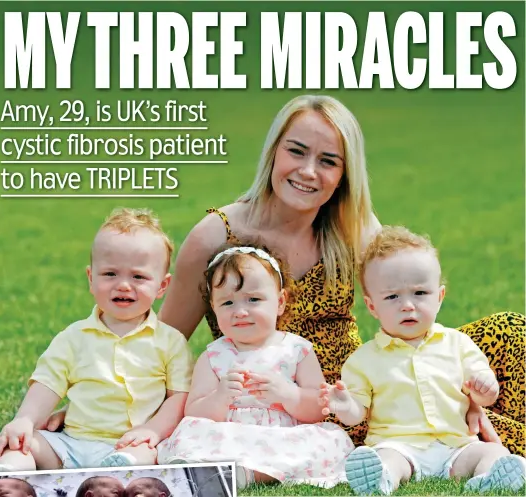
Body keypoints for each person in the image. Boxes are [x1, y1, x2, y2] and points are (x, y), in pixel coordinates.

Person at [158, 94, 524, 456]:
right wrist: (154, 424)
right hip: (301, 408)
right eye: (296, 151)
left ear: (343, 176)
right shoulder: (216, 235)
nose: (308, 171)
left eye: (328, 161)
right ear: (274, 152)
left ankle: (466, 417)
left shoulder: (354, 228)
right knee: (469, 432)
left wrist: (464, 391)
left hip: (366, 381)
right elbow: (165, 348)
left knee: (510, 333)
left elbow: (409, 307)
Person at [320, 226, 526, 494]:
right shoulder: (364, 360)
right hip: (399, 444)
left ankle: (488, 478)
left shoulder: (458, 344)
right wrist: (345, 405)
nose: (407, 305)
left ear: (439, 297)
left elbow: (485, 397)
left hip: (457, 445)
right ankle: (381, 480)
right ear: (372, 307)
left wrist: (486, 388)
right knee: (387, 459)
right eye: (392, 296)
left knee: (491, 451)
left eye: (419, 293)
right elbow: (358, 414)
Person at [0, 208, 194, 470]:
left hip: (131, 445)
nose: (123, 285)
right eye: (110, 274)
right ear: (91, 278)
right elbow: (47, 383)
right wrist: (26, 420)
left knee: (151, 455)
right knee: (27, 443)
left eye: (138, 277)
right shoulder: (74, 337)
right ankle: (8, 476)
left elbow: (178, 398)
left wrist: (153, 431)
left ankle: (115, 475)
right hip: (71, 442)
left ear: (162, 286)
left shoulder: (170, 342)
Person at [156, 244, 353, 488]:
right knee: (190, 430)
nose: (240, 311)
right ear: (214, 308)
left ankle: (247, 475)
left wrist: (288, 394)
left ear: (280, 302)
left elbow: (316, 409)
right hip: (229, 433)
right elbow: (194, 411)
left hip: (281, 436)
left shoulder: (297, 350)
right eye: (227, 303)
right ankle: (209, 467)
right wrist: (220, 397)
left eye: (253, 299)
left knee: (328, 438)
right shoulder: (214, 356)